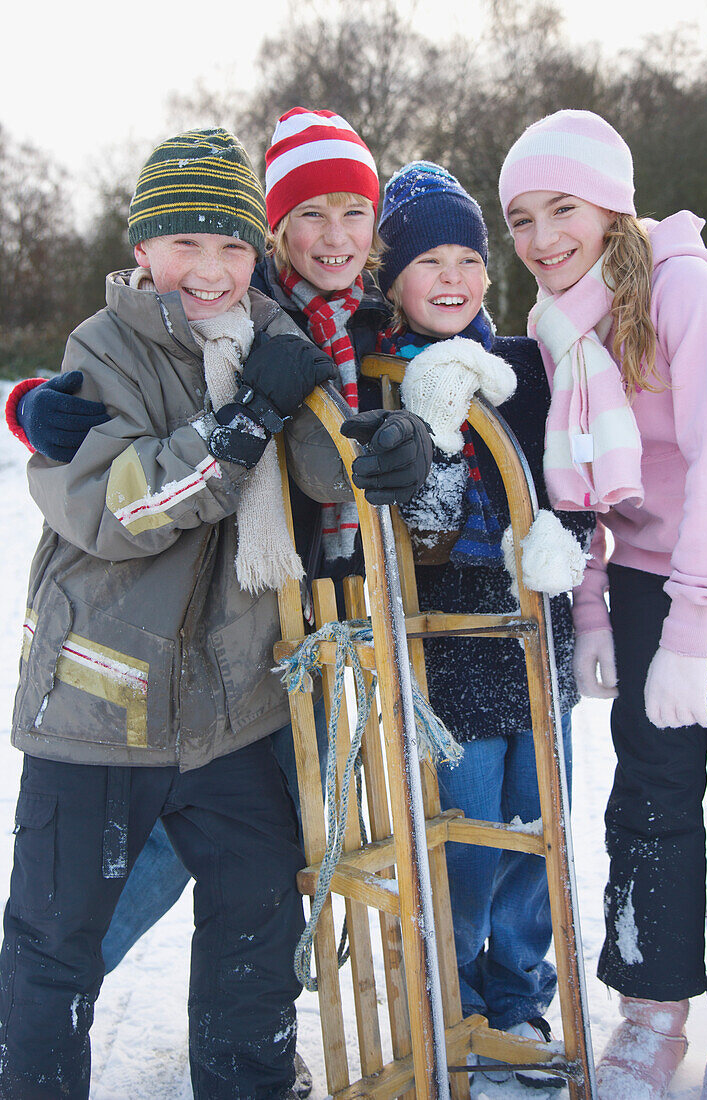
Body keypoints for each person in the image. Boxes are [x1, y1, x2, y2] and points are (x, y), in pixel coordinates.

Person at [0, 126, 429, 1100]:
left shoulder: (275, 340)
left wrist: (385, 448)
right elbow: (120, 507)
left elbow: (323, 465)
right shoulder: (101, 352)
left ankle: (249, 1082)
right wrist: (239, 424)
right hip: (101, 707)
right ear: (142, 248)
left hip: (234, 709)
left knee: (253, 915)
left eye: (231, 246)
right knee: (55, 940)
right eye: (184, 244)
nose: (209, 269)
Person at [499, 108, 707, 1100]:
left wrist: (691, 627)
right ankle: (648, 1015)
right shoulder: (563, 324)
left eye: (562, 208)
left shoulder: (687, 289)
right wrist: (593, 609)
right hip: (641, 577)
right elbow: (579, 478)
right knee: (647, 796)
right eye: (518, 218)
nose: (542, 237)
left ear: (611, 207)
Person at [374, 160, 594, 1093]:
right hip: (443, 644)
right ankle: (453, 1000)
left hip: (530, 640)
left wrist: (566, 536)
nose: (454, 277)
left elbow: (570, 480)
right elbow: (412, 524)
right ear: (393, 281)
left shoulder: (526, 372)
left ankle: (516, 997)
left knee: (538, 825)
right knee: (463, 835)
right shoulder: (384, 379)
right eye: (430, 262)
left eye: (469, 257)